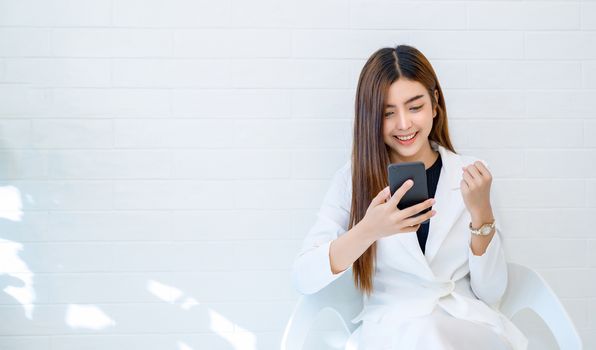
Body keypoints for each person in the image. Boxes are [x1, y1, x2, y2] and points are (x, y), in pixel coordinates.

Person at [291, 45, 528, 350]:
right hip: (393, 332)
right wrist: (368, 230)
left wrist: (482, 215)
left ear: (434, 104)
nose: (404, 124)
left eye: (415, 107)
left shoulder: (471, 175)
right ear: (371, 119)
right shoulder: (352, 181)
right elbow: (303, 277)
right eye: (388, 113)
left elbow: (492, 293)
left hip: (463, 329)